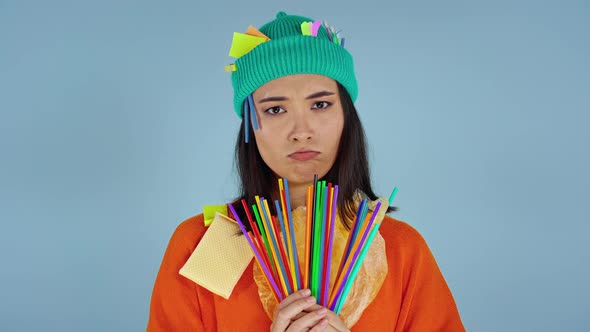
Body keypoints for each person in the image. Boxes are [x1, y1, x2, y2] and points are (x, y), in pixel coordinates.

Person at [148, 11, 465, 331]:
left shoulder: (402, 250)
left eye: (320, 104)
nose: (301, 131)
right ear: (250, 127)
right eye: (274, 109)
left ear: (347, 116)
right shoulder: (203, 248)